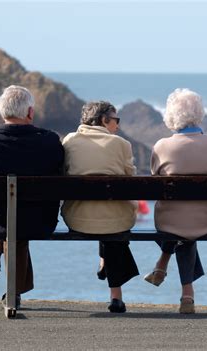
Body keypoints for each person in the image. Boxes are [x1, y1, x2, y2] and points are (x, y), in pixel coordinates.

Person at [0, 85, 64, 308]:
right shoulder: (50, 142)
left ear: (2, 112)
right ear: (30, 112)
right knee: (19, 220)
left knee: (12, 220)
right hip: (41, 219)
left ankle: (2, 268)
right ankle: (13, 291)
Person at [144, 88, 207, 314]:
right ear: (199, 114)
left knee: (180, 221)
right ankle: (187, 292)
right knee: (189, 223)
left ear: (171, 116)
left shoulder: (161, 146)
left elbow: (155, 177)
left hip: (170, 220)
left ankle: (164, 266)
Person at [61, 101, 139, 313]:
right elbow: (130, 180)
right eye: (116, 120)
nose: (118, 126)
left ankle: (105, 262)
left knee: (104, 214)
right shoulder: (121, 144)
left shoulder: (69, 141)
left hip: (77, 218)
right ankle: (116, 296)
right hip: (115, 220)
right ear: (104, 120)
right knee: (111, 221)